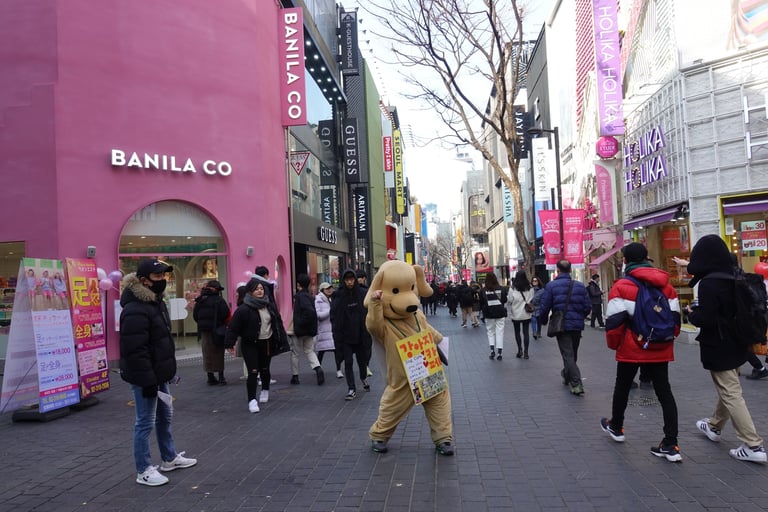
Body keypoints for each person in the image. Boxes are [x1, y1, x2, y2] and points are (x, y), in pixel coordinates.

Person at [685, 234, 767, 463]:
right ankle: (714, 426)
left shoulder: (709, 283)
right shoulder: (734, 275)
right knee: (729, 385)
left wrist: (692, 314)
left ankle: (753, 444)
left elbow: (708, 318)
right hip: (738, 340)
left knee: (731, 391)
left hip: (719, 344)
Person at [600, 242, 682, 462]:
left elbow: (615, 323)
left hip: (631, 346)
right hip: (660, 346)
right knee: (665, 392)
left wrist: (615, 344)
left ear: (625, 261)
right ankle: (671, 443)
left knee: (623, 386)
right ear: (647, 257)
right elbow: (675, 320)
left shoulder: (621, 286)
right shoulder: (667, 285)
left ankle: (616, 426)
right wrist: (667, 338)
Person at [119, 258, 197, 486]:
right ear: (143, 280)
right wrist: (147, 381)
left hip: (159, 373)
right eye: (157, 277)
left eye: (164, 276)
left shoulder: (156, 302)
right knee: (145, 421)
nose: (162, 280)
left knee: (165, 416)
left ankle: (169, 458)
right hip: (146, 376)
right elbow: (135, 350)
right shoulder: (135, 309)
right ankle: (143, 469)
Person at [225, 278, 288, 413]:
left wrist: (282, 340)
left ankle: (265, 390)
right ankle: (252, 400)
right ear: (250, 291)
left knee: (265, 369)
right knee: (253, 372)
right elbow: (233, 327)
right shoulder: (244, 309)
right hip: (250, 344)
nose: (259, 291)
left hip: (267, 342)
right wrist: (230, 342)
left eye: (261, 289)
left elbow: (278, 323)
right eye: (256, 289)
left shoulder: (269, 305)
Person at [537, 259, 592, 396]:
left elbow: (545, 306)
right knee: (573, 352)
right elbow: (587, 306)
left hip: (561, 324)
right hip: (577, 325)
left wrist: (543, 320)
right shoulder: (580, 286)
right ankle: (567, 375)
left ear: (558, 270)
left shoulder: (551, 286)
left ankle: (576, 382)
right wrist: (580, 316)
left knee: (568, 354)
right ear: (570, 270)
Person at [330, 268, 371, 400]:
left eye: (351, 279)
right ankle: (351, 388)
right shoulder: (339, 295)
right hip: (345, 336)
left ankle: (363, 378)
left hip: (360, 335)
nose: (349, 282)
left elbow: (369, 312)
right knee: (348, 363)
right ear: (344, 280)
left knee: (362, 361)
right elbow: (334, 314)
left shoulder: (363, 293)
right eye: (347, 280)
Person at [193, 280, 231, 385]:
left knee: (207, 354)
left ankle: (210, 377)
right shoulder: (219, 300)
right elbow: (225, 313)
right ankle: (221, 377)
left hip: (204, 331)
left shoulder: (200, 300)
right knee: (218, 353)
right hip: (217, 330)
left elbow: (195, 316)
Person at [290, 273, 324, 386]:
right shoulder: (310, 296)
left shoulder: (300, 297)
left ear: (298, 284)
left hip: (300, 330)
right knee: (309, 350)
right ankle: (318, 368)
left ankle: (295, 376)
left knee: (295, 353)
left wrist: (299, 323)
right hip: (309, 330)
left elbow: (308, 312)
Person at [315, 282, 343, 378]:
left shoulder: (332, 299)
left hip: (333, 329)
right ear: (322, 290)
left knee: (337, 351)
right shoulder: (318, 300)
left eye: (330, 288)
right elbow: (318, 315)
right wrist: (330, 311)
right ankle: (318, 368)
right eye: (327, 289)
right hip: (323, 330)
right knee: (321, 351)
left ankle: (338, 370)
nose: (330, 290)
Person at [479, 273, 508, 360]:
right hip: (500, 313)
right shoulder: (501, 289)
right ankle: (499, 352)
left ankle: (492, 350)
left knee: (490, 332)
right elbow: (504, 300)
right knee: (500, 332)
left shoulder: (483, 290)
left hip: (488, 314)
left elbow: (481, 302)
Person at [509, 272, 534, 359]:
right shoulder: (530, 287)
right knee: (526, 332)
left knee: (517, 332)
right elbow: (531, 298)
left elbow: (510, 300)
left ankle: (519, 350)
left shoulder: (513, 288)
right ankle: (526, 352)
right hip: (526, 313)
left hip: (516, 313)